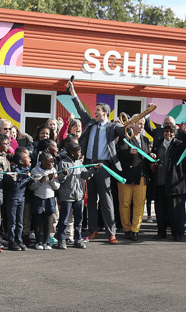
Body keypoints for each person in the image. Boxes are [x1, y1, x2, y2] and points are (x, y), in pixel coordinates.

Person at [68, 80, 125, 244]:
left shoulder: (112, 127)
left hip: (104, 165)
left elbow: (124, 130)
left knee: (106, 200)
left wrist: (131, 127)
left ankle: (111, 233)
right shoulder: (91, 123)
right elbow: (80, 108)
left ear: (106, 112)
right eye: (95, 110)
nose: (95, 112)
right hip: (88, 163)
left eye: (98, 110)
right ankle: (93, 230)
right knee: (91, 199)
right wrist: (73, 93)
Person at [151, 125, 186, 241]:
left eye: (171, 132)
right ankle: (161, 232)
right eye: (166, 131)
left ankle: (177, 233)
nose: (168, 134)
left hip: (174, 183)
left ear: (175, 133)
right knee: (160, 210)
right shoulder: (158, 144)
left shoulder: (178, 144)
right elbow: (153, 158)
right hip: (159, 182)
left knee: (175, 211)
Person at [56, 142, 98, 249]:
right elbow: (60, 179)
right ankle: (61, 239)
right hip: (67, 196)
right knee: (64, 220)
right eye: (78, 152)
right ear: (71, 152)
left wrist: (94, 169)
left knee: (79, 220)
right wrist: (64, 173)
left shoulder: (79, 162)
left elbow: (84, 175)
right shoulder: (63, 163)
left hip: (79, 195)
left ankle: (78, 239)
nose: (79, 154)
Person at [117, 114, 151, 241]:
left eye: (143, 124)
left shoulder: (146, 140)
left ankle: (135, 230)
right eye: (140, 124)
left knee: (139, 204)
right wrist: (128, 152)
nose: (142, 126)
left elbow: (146, 157)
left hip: (141, 176)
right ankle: (127, 229)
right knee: (125, 203)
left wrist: (151, 156)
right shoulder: (125, 135)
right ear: (134, 123)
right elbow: (119, 150)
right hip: (126, 175)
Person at [30, 151, 60, 250]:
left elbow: (57, 186)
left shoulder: (54, 170)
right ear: (43, 161)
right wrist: (40, 181)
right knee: (38, 220)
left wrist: (52, 180)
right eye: (50, 161)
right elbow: (31, 187)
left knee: (48, 220)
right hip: (38, 197)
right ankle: (38, 242)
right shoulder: (35, 171)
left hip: (50, 198)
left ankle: (46, 242)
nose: (52, 163)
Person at [6, 148, 32, 251]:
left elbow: (30, 184)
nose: (30, 159)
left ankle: (19, 239)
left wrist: (32, 179)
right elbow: (15, 186)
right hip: (13, 199)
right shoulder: (15, 170)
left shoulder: (27, 171)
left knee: (20, 221)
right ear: (21, 161)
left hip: (22, 199)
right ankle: (11, 241)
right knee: (12, 221)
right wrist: (25, 177)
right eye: (27, 158)